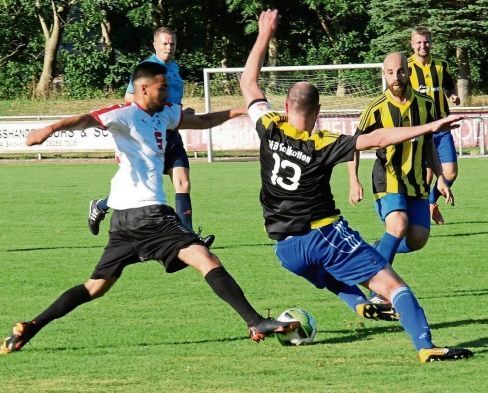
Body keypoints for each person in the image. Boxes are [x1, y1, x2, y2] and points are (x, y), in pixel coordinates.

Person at [0, 62, 300, 355]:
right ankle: (255, 321)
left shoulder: (165, 114)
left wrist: (244, 111)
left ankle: (31, 326)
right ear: (143, 88)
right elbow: (86, 119)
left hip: (124, 222)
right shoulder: (125, 115)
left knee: (94, 287)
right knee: (204, 258)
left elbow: (204, 120)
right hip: (148, 215)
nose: (168, 93)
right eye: (162, 88)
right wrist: (48, 129)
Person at [239, 9, 473, 363]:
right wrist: (429, 127)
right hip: (324, 235)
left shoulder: (270, 126)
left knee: (326, 274)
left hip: (284, 249)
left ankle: (358, 304)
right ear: (318, 112)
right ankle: (426, 347)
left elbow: (248, 83)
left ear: (286, 106)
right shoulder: (323, 142)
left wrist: (264, 34)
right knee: (395, 288)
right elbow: (378, 137)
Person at [88, 27, 214, 247]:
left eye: (172, 43)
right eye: (165, 43)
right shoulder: (146, 69)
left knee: (183, 183)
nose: (169, 47)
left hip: (172, 134)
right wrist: (163, 111)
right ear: (155, 45)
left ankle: (189, 238)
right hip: (149, 136)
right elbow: (129, 97)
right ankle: (101, 206)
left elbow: (172, 103)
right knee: (138, 189)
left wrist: (181, 114)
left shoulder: (174, 68)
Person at [348, 52, 452, 304]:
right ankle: (379, 290)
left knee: (417, 239)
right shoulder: (375, 108)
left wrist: (440, 176)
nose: (396, 77)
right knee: (398, 224)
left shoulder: (426, 105)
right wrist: (354, 180)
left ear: (409, 72)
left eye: (401, 71)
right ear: (384, 74)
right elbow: (353, 146)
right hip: (388, 178)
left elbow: (429, 145)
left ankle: (378, 248)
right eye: (391, 72)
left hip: (416, 182)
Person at [409, 26, 460, 224]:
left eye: (426, 41)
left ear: (431, 42)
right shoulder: (407, 67)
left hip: (442, 127)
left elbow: (449, 85)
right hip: (420, 131)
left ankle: (431, 202)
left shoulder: (441, 65)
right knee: (425, 177)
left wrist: (453, 95)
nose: (423, 46)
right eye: (419, 42)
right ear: (412, 44)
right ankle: (419, 215)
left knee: (451, 172)